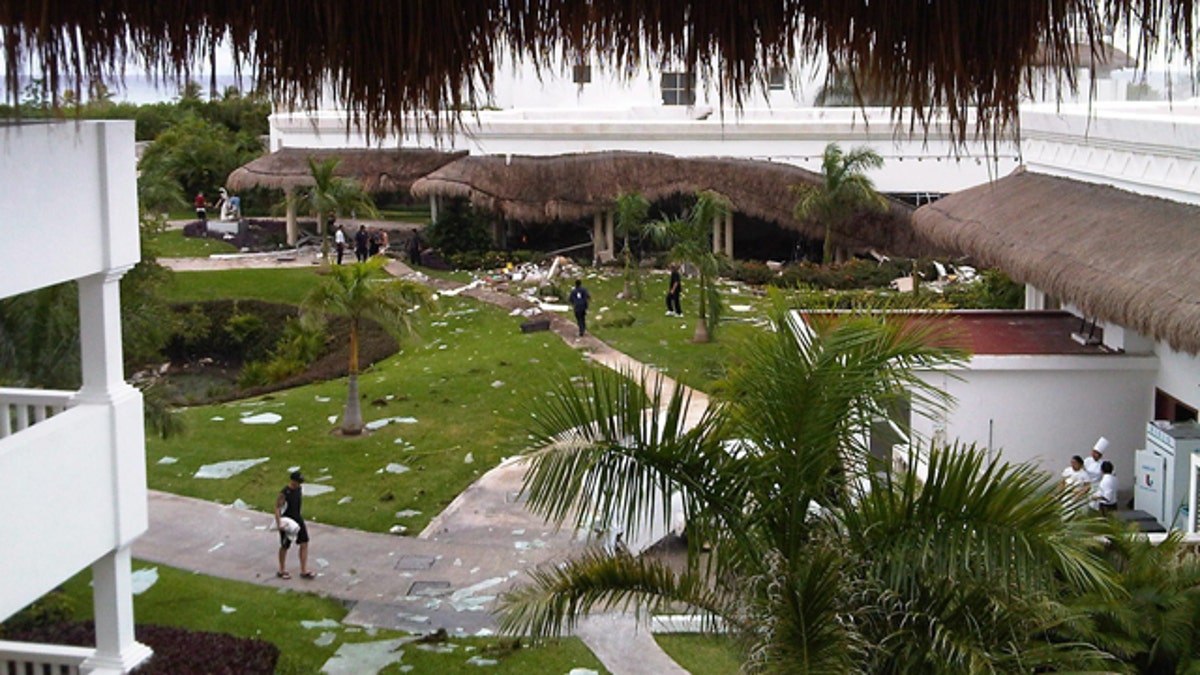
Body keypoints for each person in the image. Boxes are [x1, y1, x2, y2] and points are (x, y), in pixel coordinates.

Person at [275, 470, 314, 579]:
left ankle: (304, 570)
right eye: (298, 482)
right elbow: (277, 508)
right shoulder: (284, 493)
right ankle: (281, 570)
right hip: (287, 521)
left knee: (304, 542)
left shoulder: (299, 489)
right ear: (292, 481)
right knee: (285, 545)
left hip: (298, 518)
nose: (299, 484)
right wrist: (279, 523)